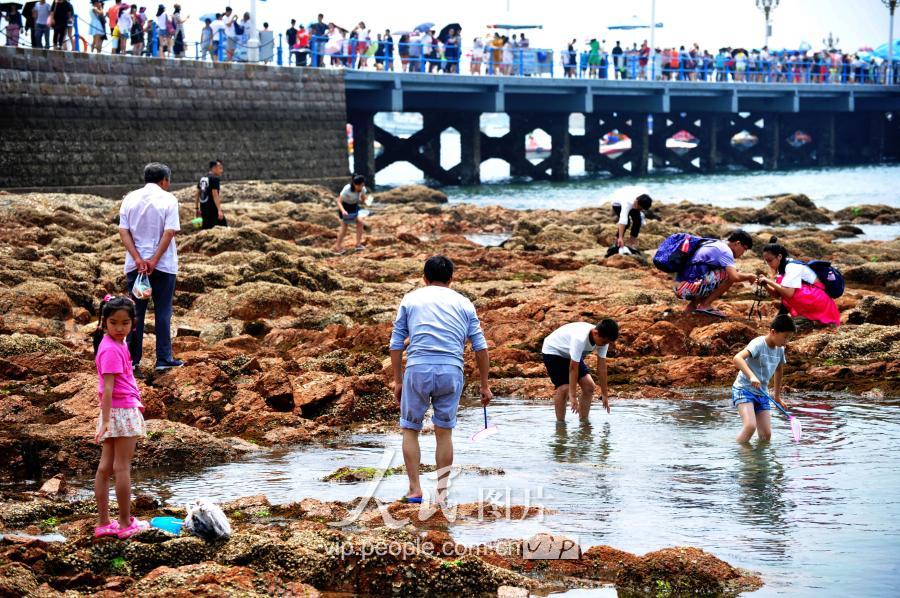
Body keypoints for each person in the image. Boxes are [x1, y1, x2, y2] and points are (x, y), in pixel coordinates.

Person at [389, 255, 492, 505]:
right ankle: (442, 494)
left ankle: (414, 490)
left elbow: (395, 344)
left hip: (418, 369)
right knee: (444, 433)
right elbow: (481, 347)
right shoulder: (464, 303)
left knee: (410, 429)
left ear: (424, 278)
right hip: (451, 370)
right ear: (451, 279)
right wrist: (485, 385)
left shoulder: (411, 298)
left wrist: (397, 380)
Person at [91, 295, 149, 540]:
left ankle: (104, 522)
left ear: (133, 323)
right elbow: (107, 389)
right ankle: (125, 523)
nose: (119, 328)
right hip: (121, 411)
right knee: (121, 467)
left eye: (124, 323)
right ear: (104, 322)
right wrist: (105, 421)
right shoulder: (112, 349)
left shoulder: (113, 343)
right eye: (113, 323)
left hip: (114, 411)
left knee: (106, 467)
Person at [118, 162, 182, 372]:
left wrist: (138, 258)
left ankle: (132, 359)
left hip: (135, 266)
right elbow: (170, 231)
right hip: (163, 266)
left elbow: (123, 231)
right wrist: (154, 260)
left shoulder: (129, 198)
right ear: (164, 180)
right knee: (163, 311)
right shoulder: (168, 199)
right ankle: (163, 358)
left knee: (136, 312)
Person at [732, 314, 796, 443]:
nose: (786, 341)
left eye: (789, 338)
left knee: (766, 435)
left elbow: (779, 369)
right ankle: (742, 456)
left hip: (762, 393)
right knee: (750, 426)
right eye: (785, 337)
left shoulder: (780, 349)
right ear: (773, 332)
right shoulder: (758, 344)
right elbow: (737, 358)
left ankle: (759, 463)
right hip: (744, 390)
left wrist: (777, 396)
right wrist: (751, 376)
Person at [541, 319, 619, 422]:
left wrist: (604, 394)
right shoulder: (580, 339)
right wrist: (573, 396)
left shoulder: (604, 339)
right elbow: (573, 368)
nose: (605, 345)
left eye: (607, 343)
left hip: (570, 353)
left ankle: (584, 423)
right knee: (564, 388)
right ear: (595, 333)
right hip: (554, 350)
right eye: (604, 342)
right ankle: (560, 427)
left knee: (589, 386)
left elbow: (602, 367)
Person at [757, 238, 840, 327]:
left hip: (820, 300)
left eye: (770, 260)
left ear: (779, 257)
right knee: (783, 286)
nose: (768, 264)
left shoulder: (792, 267)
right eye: (766, 261)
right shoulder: (782, 267)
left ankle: (795, 318)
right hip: (815, 298)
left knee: (786, 288)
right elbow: (777, 294)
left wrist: (769, 281)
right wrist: (765, 284)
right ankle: (783, 321)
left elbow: (788, 293)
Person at [674, 230, 758, 317]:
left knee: (712, 276)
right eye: (744, 249)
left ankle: (691, 308)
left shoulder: (716, 244)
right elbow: (734, 277)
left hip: (679, 287)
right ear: (738, 243)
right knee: (729, 274)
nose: (743, 253)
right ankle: (705, 305)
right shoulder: (726, 251)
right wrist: (750, 276)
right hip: (686, 289)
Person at [333, 173, 368, 254]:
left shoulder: (362, 189)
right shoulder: (347, 189)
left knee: (360, 222)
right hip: (344, 207)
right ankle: (337, 247)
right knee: (344, 228)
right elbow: (339, 201)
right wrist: (343, 211)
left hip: (354, 207)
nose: (361, 187)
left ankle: (358, 244)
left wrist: (365, 200)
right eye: (359, 186)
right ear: (355, 184)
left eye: (362, 185)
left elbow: (363, 200)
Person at [196, 160, 227, 230]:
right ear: (214, 168)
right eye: (220, 168)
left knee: (206, 230)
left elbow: (197, 194)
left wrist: (197, 209)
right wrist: (219, 210)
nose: (221, 171)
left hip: (204, 210)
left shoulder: (202, 179)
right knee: (224, 229)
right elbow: (215, 195)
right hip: (213, 210)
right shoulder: (214, 179)